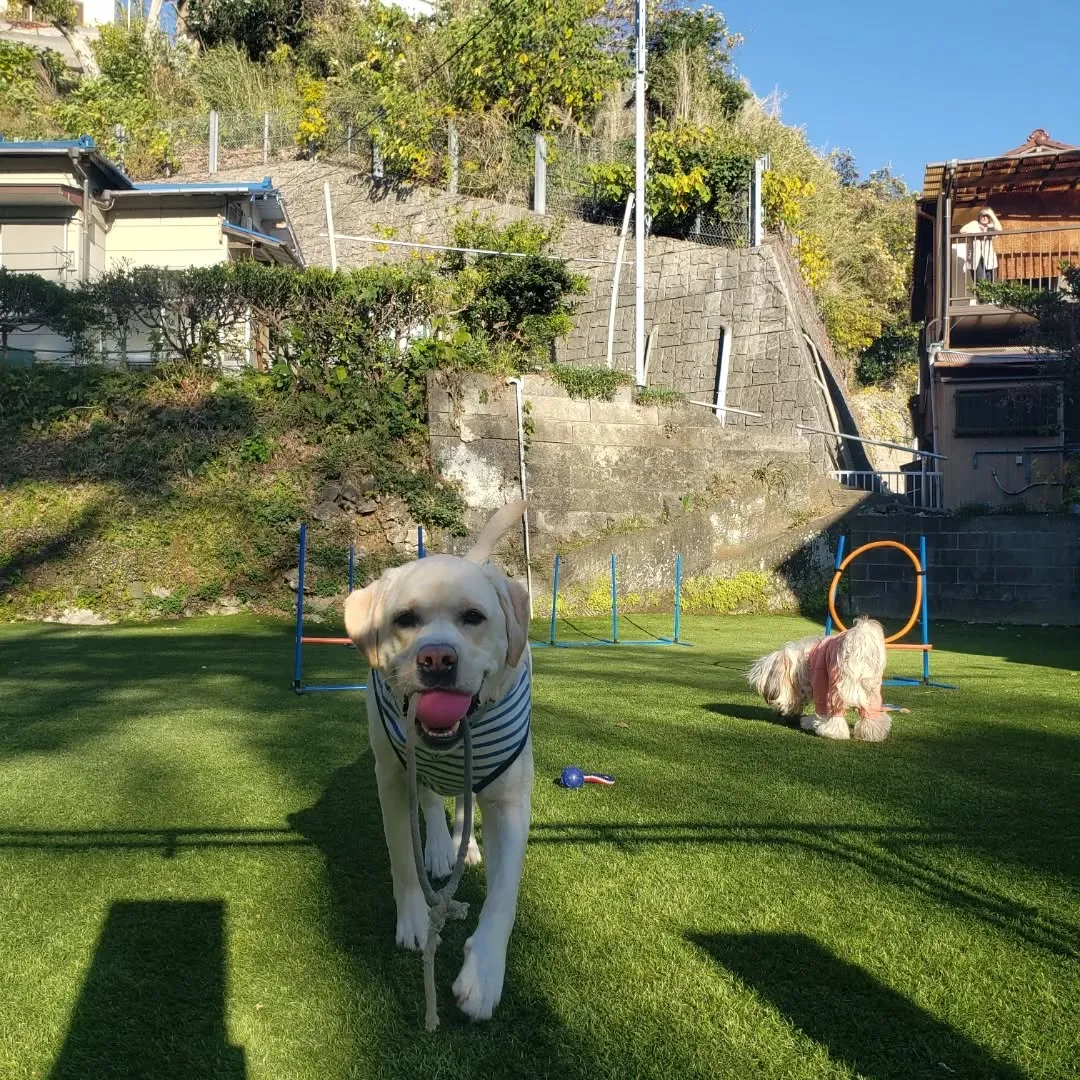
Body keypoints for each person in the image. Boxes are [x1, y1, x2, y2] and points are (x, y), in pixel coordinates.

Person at [960, 207, 1003, 286]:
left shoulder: (991, 227)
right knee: (980, 283)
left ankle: (990, 298)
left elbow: (1000, 230)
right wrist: (978, 233)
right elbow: (962, 230)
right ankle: (981, 299)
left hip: (989, 259)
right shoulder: (974, 224)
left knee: (992, 283)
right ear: (979, 217)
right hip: (976, 259)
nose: (984, 218)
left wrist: (992, 215)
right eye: (982, 215)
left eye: (987, 216)